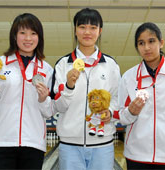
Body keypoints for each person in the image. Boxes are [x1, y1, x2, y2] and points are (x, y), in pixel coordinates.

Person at [50, 8, 121, 170]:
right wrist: (69, 86)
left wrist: (109, 111)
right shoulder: (63, 64)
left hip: (103, 144)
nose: (87, 32)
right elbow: (58, 106)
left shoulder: (110, 65)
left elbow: (118, 98)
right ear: (75, 30)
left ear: (100, 31)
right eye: (82, 27)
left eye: (93, 28)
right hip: (70, 144)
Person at [0, 13, 54, 169]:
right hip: (1, 141)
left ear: (39, 38)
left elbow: (49, 112)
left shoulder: (47, 69)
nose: (28, 38)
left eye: (33, 33)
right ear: (14, 36)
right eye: (22, 33)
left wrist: (44, 98)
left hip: (33, 144)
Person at [113, 22, 165, 169]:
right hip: (137, 156)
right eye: (141, 43)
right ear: (137, 47)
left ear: (161, 43)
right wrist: (131, 112)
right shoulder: (129, 77)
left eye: (151, 41)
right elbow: (122, 117)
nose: (147, 47)